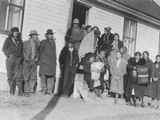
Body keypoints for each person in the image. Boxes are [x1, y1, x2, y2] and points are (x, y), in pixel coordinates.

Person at [2, 27, 23, 96]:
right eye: (15, 32)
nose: (16, 33)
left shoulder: (20, 41)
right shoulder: (8, 40)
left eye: (17, 32)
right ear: (12, 33)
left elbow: (22, 51)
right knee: (10, 75)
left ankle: (20, 91)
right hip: (10, 59)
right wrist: (9, 55)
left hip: (18, 60)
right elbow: (4, 49)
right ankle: (12, 90)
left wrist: (20, 58)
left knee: (17, 76)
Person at [39, 29, 57, 95]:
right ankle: (43, 90)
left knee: (51, 77)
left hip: (51, 63)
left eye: (51, 34)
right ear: (46, 35)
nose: (50, 36)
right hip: (44, 62)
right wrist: (42, 60)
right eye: (49, 34)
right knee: (43, 76)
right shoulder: (43, 42)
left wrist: (55, 62)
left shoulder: (53, 43)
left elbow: (54, 53)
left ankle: (49, 91)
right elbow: (40, 51)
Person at [23, 30, 40, 95]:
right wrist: (26, 58)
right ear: (32, 36)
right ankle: (26, 90)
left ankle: (31, 89)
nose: (36, 37)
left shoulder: (37, 44)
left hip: (34, 62)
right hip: (27, 61)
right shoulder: (25, 43)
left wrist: (37, 58)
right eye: (35, 35)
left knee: (33, 76)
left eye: (36, 35)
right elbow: (23, 51)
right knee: (26, 76)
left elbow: (38, 52)